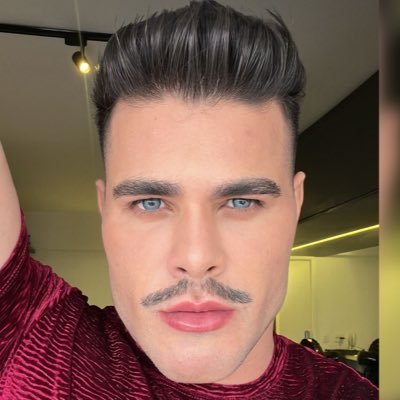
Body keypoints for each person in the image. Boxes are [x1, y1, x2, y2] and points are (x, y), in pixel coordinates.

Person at [0, 1, 378, 398]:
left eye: (242, 201)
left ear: (295, 205)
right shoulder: (35, 344)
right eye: (149, 202)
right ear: (105, 210)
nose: (196, 258)